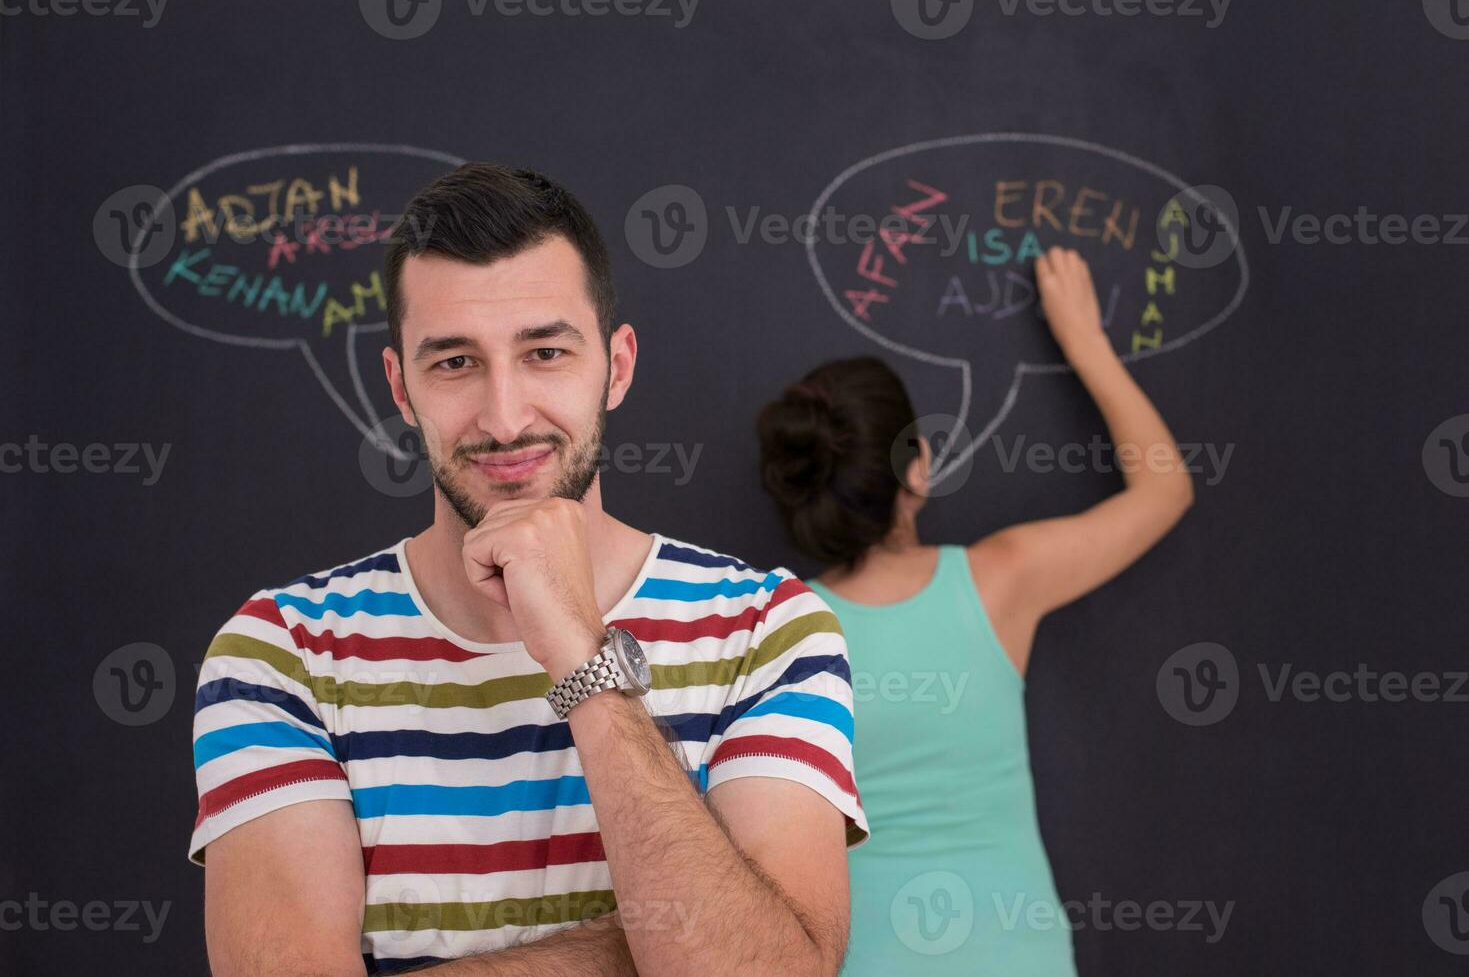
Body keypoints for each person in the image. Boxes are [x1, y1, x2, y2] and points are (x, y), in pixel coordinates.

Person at [189, 163, 868, 976]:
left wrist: (583, 655)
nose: (505, 417)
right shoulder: (282, 652)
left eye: (544, 352)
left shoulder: (768, 630)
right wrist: (642, 948)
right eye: (454, 364)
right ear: (399, 388)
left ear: (615, 367)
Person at [756, 248, 1195, 975]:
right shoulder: (999, 580)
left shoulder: (779, 625)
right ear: (918, 467)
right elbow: (1164, 491)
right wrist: (1082, 339)